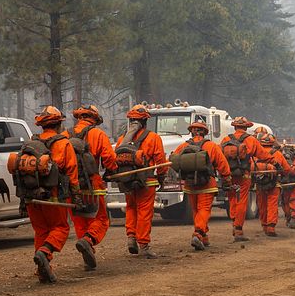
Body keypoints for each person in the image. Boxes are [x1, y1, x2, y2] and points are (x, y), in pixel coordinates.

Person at [27, 106, 79, 284]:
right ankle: (45, 253)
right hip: (53, 195)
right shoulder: (63, 143)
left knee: (41, 230)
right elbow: (72, 171)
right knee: (61, 228)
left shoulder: (31, 142)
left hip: (32, 196)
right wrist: (76, 195)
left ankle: (43, 270)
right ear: (58, 125)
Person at [113, 105, 168, 258]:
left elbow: (115, 159)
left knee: (131, 208)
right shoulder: (153, 137)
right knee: (144, 211)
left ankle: (131, 237)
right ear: (144, 122)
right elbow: (160, 160)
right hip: (147, 181)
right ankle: (143, 244)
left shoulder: (121, 140)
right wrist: (162, 177)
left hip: (127, 180)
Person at [68, 105, 118, 271]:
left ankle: (86, 251)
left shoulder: (65, 135)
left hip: (71, 186)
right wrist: (111, 172)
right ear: (94, 119)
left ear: (79, 117)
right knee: (101, 219)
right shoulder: (97, 134)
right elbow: (109, 157)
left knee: (80, 220)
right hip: (92, 185)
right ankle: (88, 241)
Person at [171, 120, 231, 250]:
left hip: (190, 185)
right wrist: (227, 179)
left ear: (191, 131)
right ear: (205, 132)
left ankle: (204, 237)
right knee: (204, 210)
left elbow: (172, 161)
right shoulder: (212, 146)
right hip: (207, 184)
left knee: (196, 211)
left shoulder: (183, 146)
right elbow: (222, 164)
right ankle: (198, 234)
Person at [219, 117, 273, 241]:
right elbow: (263, 155)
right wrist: (274, 162)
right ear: (246, 127)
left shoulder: (226, 139)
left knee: (232, 199)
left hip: (229, 175)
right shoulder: (251, 140)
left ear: (234, 127)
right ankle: (238, 230)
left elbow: (220, 157)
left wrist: (223, 174)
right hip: (244, 175)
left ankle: (234, 223)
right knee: (242, 201)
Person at [253, 128, 289, 237]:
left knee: (262, 204)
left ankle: (264, 225)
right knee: (272, 204)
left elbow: (251, 167)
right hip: (274, 183)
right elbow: (286, 169)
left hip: (260, 183)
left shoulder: (256, 153)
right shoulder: (278, 154)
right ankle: (271, 227)